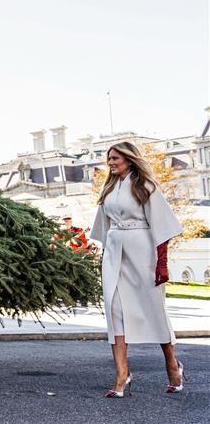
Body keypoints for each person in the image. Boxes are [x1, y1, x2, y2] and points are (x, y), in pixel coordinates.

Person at [89, 142, 184, 398]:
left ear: (129, 159)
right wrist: (103, 254)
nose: (111, 162)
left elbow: (164, 228)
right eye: (109, 158)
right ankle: (122, 374)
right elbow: (103, 226)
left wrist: (162, 263)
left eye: (116, 158)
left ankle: (172, 365)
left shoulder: (147, 186)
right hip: (114, 252)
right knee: (114, 310)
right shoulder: (108, 188)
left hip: (143, 252)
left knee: (153, 309)